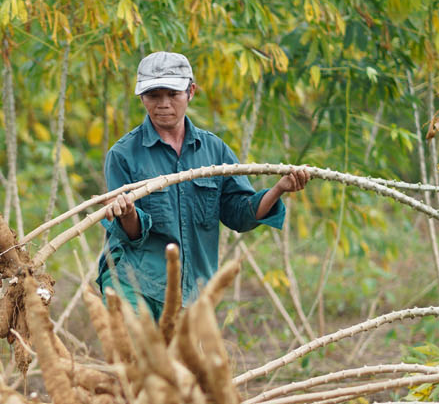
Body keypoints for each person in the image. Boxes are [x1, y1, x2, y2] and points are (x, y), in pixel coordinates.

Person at [96, 50, 311, 318]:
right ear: (142, 97)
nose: (163, 104)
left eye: (172, 94)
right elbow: (129, 233)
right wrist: (126, 211)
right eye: (153, 96)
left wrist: (279, 188)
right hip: (135, 283)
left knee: (187, 360)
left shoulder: (214, 152)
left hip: (194, 290)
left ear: (191, 92)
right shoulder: (123, 154)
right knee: (138, 356)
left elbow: (240, 215)